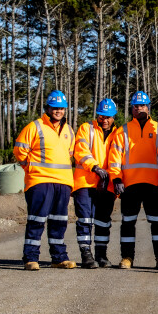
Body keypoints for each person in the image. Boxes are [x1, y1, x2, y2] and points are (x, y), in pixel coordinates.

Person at [107, 91, 158, 271]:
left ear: (148, 107)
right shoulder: (123, 131)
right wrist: (116, 178)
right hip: (130, 185)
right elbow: (114, 158)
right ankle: (127, 257)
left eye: (142, 105)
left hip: (154, 184)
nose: (139, 109)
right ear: (132, 109)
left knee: (157, 222)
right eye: (136, 106)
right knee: (128, 222)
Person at [13, 90, 76, 270]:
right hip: (40, 181)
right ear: (47, 108)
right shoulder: (35, 127)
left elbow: (69, 154)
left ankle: (59, 258)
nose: (58, 111)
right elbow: (19, 151)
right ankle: (30, 258)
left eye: (61, 108)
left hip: (63, 183)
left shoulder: (69, 130)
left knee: (59, 221)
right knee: (37, 220)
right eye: (55, 108)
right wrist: (31, 168)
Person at [71, 98, 118, 268]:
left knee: (103, 221)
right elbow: (81, 151)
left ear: (113, 117)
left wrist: (114, 179)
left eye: (108, 117)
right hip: (86, 182)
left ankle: (101, 255)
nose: (104, 120)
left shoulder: (118, 134)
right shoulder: (86, 128)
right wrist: (95, 167)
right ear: (97, 115)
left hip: (107, 185)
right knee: (85, 219)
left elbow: (119, 158)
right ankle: (86, 254)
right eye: (101, 116)